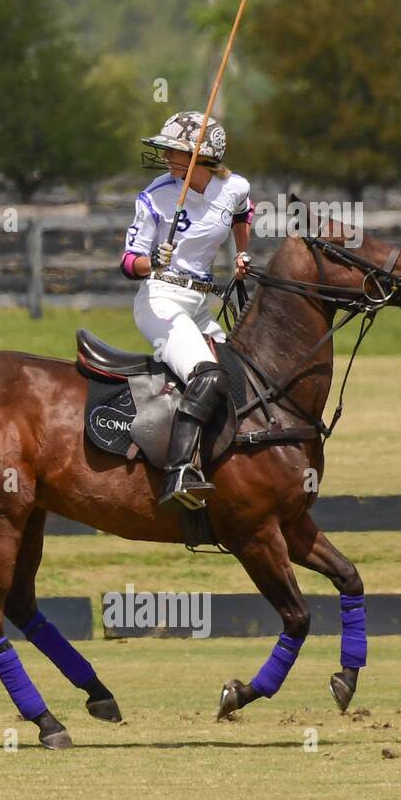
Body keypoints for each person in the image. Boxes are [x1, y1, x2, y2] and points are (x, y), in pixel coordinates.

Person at [120, 111, 253, 508]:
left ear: (202, 156)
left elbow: (243, 213)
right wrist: (154, 263)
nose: (165, 156)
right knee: (208, 376)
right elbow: (128, 262)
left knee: (239, 375)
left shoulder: (233, 188)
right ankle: (179, 473)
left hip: (200, 304)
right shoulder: (155, 196)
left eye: (174, 150)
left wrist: (242, 255)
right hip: (160, 300)